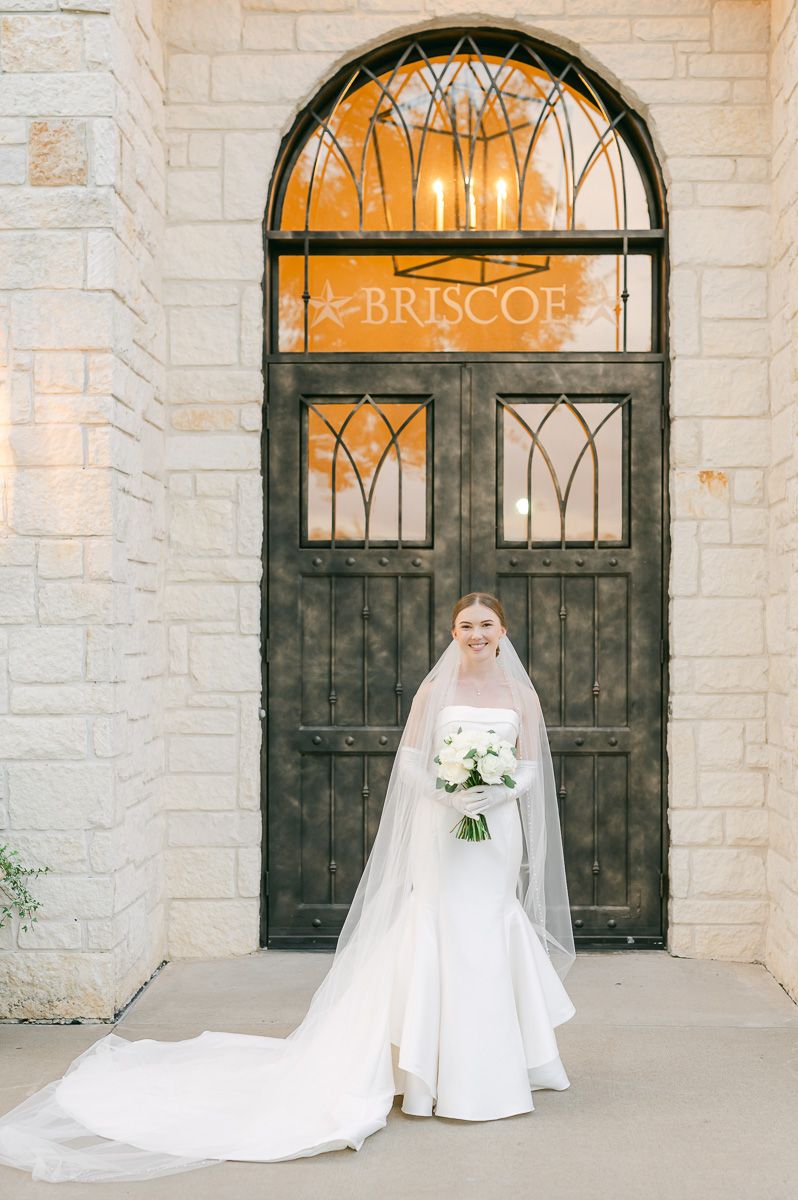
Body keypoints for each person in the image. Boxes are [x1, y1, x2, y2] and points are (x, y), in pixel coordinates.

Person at [0, 592, 576, 1183]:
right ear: (453, 632)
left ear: (502, 630)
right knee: (439, 925)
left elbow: (529, 765)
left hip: (492, 833)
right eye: (464, 625)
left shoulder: (520, 695)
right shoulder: (435, 690)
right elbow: (410, 761)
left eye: (485, 625)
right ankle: (424, 1074)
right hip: (443, 828)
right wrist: (445, 792)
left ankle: (488, 1071)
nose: (475, 634)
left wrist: (495, 793)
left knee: (484, 930)